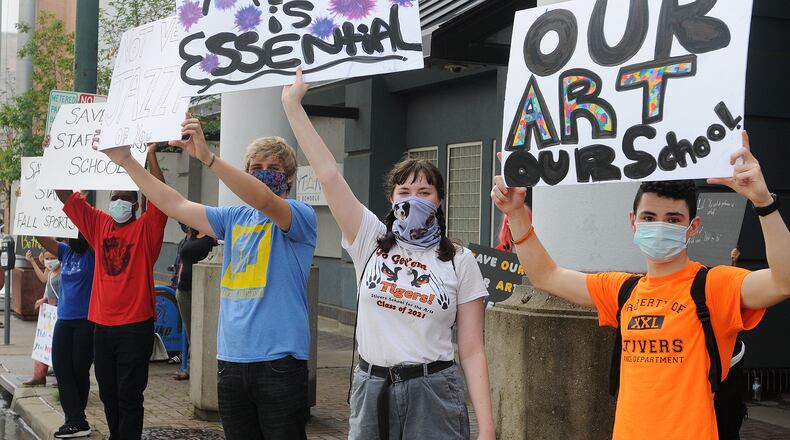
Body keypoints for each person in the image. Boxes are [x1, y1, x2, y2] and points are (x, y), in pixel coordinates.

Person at [491, 132, 790, 439]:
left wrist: (763, 202)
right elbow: (546, 276)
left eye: (673, 219)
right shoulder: (623, 290)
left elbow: (784, 281)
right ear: (633, 222)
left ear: (693, 227)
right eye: (649, 217)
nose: (659, 226)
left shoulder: (715, 287)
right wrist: (515, 213)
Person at [282, 69, 496, 440]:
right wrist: (292, 107)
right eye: (404, 191)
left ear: (440, 200)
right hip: (372, 387)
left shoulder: (460, 260)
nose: (414, 199)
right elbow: (330, 176)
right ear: (391, 199)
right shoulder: (369, 237)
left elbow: (473, 349)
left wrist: (487, 427)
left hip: (434, 392)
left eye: (425, 191)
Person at [97, 114, 317, 440]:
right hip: (231, 361)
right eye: (253, 169)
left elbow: (264, 199)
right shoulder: (233, 218)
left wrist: (209, 158)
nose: (260, 175)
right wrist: (127, 161)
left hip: (279, 363)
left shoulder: (299, 216)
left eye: (269, 169)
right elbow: (175, 203)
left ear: (288, 177)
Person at [54, 143, 167, 440]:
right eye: (114, 197)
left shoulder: (148, 229)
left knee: (129, 394)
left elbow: (159, 194)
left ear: (136, 204)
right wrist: (57, 155)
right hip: (101, 327)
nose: (118, 202)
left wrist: (150, 155)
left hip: (135, 326)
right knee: (108, 393)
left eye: (125, 198)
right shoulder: (99, 225)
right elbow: (66, 196)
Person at [33, 234, 95, 438]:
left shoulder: (93, 253)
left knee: (79, 369)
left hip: (86, 320)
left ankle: (77, 420)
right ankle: (75, 420)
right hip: (64, 319)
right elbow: (44, 240)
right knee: (61, 367)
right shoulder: (65, 252)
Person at [173, 224, 216, 380]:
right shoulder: (190, 235)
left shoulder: (211, 236)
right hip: (183, 289)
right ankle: (192, 368)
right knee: (191, 331)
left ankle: (200, 369)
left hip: (202, 290)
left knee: (203, 331)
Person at [23, 248, 61, 386]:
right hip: (49, 312)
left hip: (60, 311)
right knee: (43, 344)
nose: (50, 261)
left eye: (52, 258)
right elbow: (44, 279)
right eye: (47, 258)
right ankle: (39, 375)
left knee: (58, 345)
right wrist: (33, 261)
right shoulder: (50, 271)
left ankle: (61, 376)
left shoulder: (64, 271)